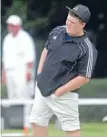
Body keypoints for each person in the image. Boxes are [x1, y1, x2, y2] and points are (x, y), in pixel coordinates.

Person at [30, 4, 98, 137]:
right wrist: (39, 74)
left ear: (82, 24)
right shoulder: (57, 31)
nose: (68, 23)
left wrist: (60, 91)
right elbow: (45, 51)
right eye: (67, 19)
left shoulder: (87, 48)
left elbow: (84, 77)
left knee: (71, 129)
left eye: (72, 22)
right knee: (37, 122)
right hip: (42, 87)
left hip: (64, 94)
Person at [2, 15, 36, 135]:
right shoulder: (7, 39)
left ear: (17, 26)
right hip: (10, 71)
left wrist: (28, 73)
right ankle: (15, 123)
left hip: (22, 71)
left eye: (11, 25)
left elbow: (30, 59)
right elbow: (4, 59)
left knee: (24, 97)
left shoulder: (25, 38)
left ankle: (27, 123)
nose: (9, 27)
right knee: (12, 97)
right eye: (9, 25)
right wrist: (3, 74)